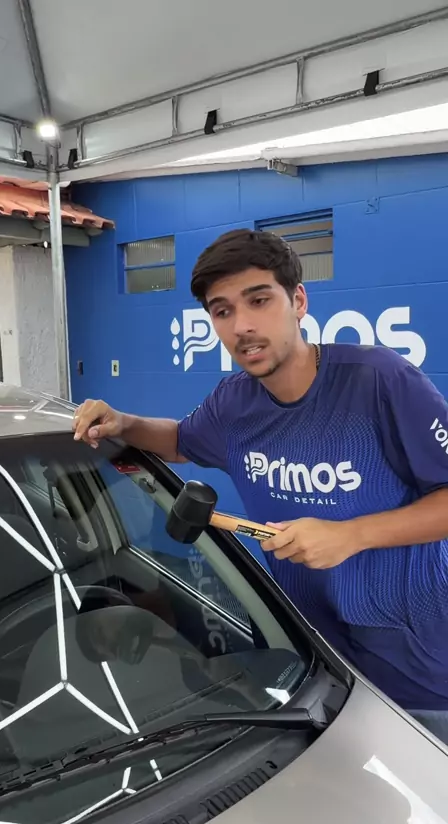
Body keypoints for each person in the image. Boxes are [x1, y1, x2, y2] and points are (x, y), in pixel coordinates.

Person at [73, 228, 448, 742]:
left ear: (298, 301)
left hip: (422, 674)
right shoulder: (234, 403)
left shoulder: (380, 380)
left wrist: (351, 535)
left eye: (259, 300)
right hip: (317, 667)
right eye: (222, 311)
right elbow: (181, 440)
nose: (242, 326)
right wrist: (124, 423)